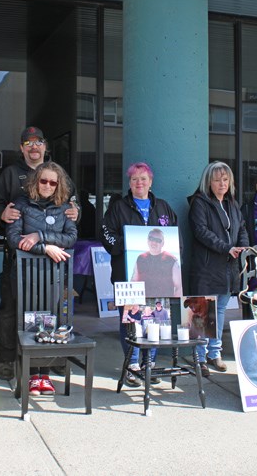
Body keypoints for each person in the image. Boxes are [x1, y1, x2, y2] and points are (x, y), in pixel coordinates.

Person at [0, 126, 79, 381]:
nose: (33, 147)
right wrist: (1, 214)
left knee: (52, 308)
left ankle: (52, 353)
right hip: (18, 257)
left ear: (45, 146)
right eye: (28, 143)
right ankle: (7, 357)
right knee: (11, 308)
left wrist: (76, 212)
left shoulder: (59, 173)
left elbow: (73, 205)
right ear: (22, 148)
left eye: (38, 142)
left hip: (52, 264)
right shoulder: (11, 174)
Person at [102, 161, 177, 388]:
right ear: (129, 183)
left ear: (151, 182)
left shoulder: (163, 207)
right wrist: (127, 243)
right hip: (128, 275)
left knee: (153, 319)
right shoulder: (118, 207)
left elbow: (174, 237)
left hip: (159, 278)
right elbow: (107, 235)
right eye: (134, 179)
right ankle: (131, 365)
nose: (139, 183)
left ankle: (149, 365)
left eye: (143, 179)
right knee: (131, 319)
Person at [6, 161, 78, 395]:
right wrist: (45, 248)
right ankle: (28, 374)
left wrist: (39, 236)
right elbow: (14, 238)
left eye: (53, 182)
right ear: (36, 181)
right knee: (28, 323)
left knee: (50, 322)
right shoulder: (21, 205)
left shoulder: (65, 207)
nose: (47, 185)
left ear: (59, 186)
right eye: (43, 180)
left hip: (53, 277)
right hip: (27, 276)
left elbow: (70, 238)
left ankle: (43, 376)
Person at [188, 161, 248, 376]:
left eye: (225, 179)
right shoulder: (200, 203)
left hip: (227, 267)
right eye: (217, 180)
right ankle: (200, 357)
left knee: (220, 310)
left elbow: (241, 227)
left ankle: (215, 353)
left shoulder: (232, 203)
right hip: (206, 267)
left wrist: (242, 246)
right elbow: (201, 232)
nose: (222, 184)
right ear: (208, 182)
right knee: (203, 312)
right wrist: (227, 248)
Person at [130, 228, 182, 297]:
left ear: (163, 243)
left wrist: (173, 303)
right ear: (147, 240)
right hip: (142, 304)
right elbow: (133, 281)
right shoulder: (140, 258)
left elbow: (179, 287)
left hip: (164, 304)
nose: (154, 242)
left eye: (158, 240)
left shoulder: (171, 260)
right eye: (151, 238)